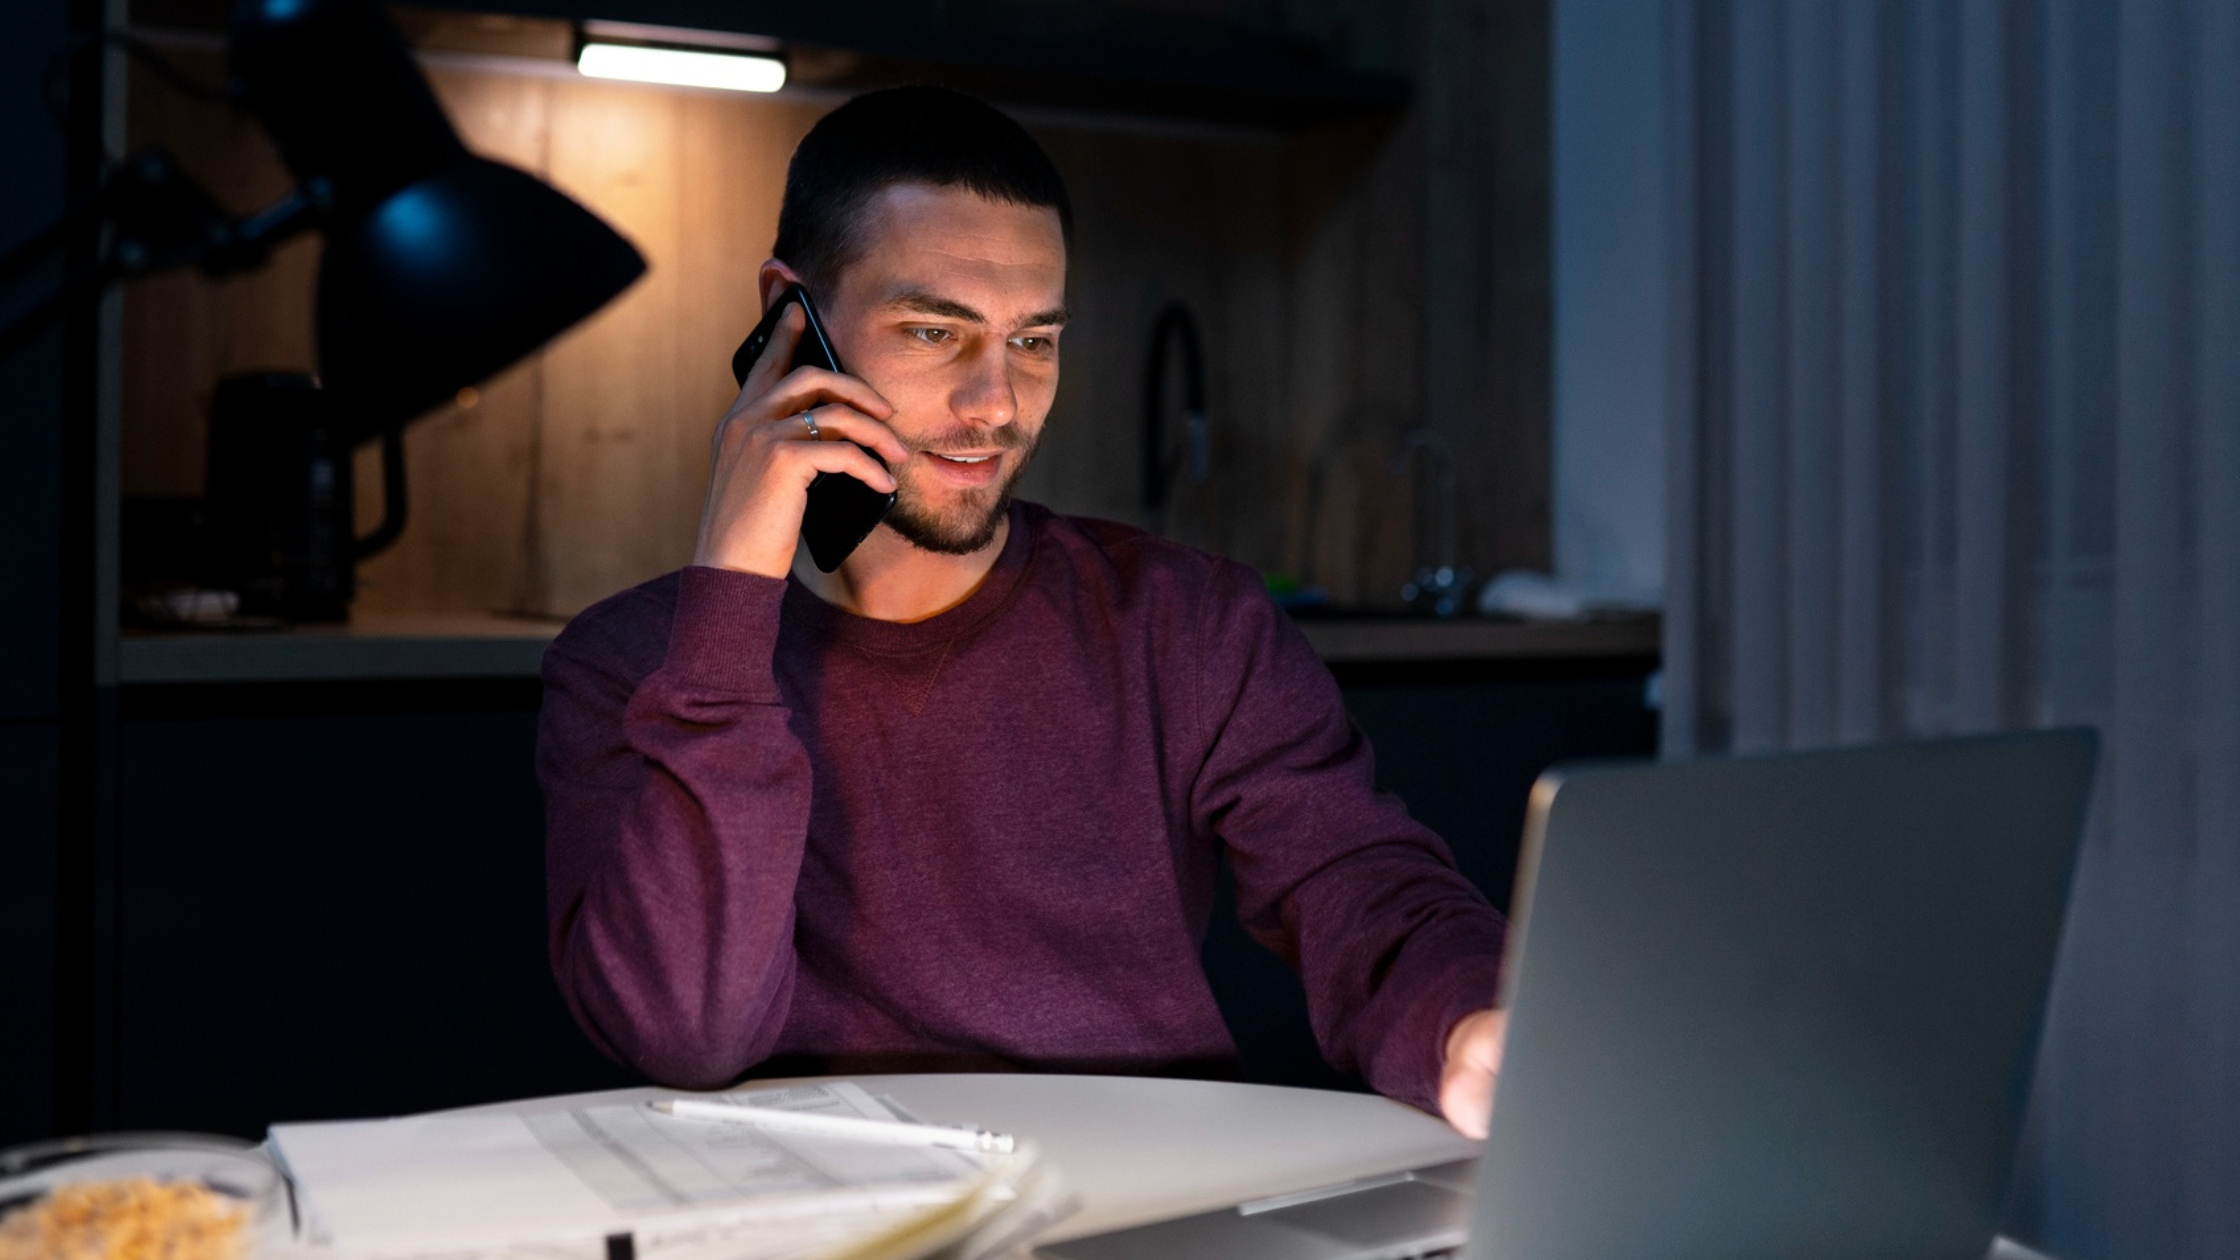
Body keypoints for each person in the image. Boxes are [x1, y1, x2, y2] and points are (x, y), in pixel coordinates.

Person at [536, 85, 1511, 1137]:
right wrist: (731, 597)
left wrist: (1464, 1029)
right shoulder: (633, 664)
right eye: (931, 332)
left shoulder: (1185, 624)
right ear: (789, 316)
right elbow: (686, 1032)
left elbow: (1358, 884)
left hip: (1141, 1203)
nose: (994, 404)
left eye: (1033, 341)